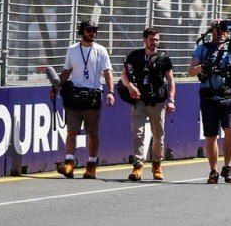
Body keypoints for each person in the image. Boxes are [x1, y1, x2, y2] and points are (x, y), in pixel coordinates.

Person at [190, 20, 231, 184]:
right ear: (212, 31)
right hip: (209, 97)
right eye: (219, 29)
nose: (222, 32)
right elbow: (191, 71)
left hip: (227, 97)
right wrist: (204, 66)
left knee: (230, 130)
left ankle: (228, 167)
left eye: (224, 30)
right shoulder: (202, 48)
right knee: (211, 136)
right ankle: (213, 170)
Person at [53, 20, 115, 179]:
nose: (92, 33)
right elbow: (66, 72)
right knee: (72, 131)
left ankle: (92, 165)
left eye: (94, 30)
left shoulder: (101, 50)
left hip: (92, 96)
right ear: (82, 31)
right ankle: (69, 163)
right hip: (74, 96)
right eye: (89, 30)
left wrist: (110, 92)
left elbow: (108, 72)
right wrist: (56, 88)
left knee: (92, 133)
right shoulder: (72, 49)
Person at [119, 27, 176, 182]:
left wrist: (171, 100)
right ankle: (137, 166)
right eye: (151, 40)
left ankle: (156, 163)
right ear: (144, 41)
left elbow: (170, 79)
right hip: (139, 101)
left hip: (157, 101)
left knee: (158, 135)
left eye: (157, 40)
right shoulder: (135, 56)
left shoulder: (164, 58)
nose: (155, 43)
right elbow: (124, 74)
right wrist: (130, 86)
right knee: (138, 133)